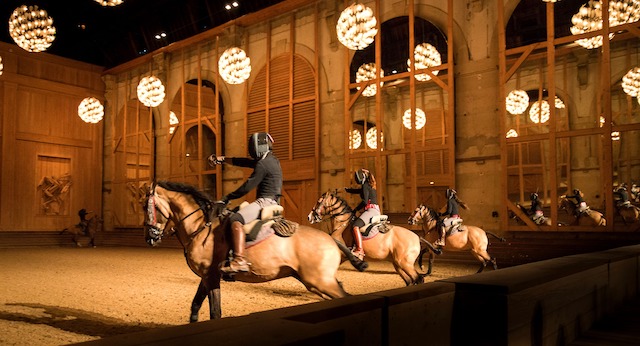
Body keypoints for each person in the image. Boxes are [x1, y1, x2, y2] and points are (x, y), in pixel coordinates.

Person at [208, 132, 282, 274]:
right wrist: (222, 159)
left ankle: (240, 260)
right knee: (235, 211)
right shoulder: (271, 160)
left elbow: (247, 186)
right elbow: (243, 161)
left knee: (235, 219)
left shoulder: (263, 164)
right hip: (272, 200)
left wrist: (226, 198)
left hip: (265, 202)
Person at [344, 168, 379, 261]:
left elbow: (364, 201)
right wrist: (347, 190)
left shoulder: (365, 185)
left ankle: (359, 250)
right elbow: (359, 191)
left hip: (370, 210)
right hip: (374, 210)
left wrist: (355, 209)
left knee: (355, 226)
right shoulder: (369, 185)